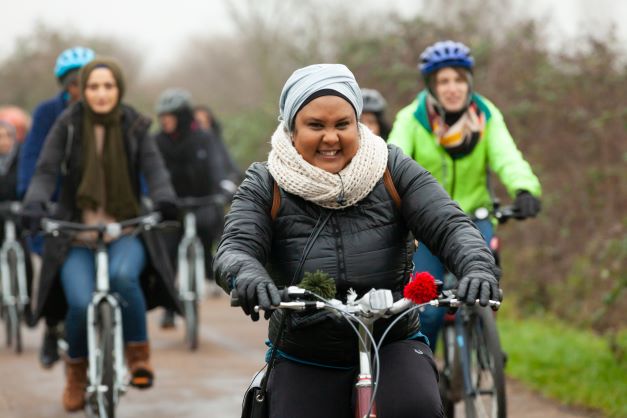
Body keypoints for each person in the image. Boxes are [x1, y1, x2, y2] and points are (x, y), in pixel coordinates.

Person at [213, 63, 501, 418]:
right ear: (291, 129)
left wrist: (476, 266)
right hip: (305, 349)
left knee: (418, 408)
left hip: (391, 339)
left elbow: (450, 225)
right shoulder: (265, 182)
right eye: (315, 125)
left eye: (342, 125)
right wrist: (248, 276)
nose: (331, 138)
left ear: (358, 124)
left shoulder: (392, 167)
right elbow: (236, 246)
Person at [22, 57, 179, 412]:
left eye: (108, 86)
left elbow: (155, 169)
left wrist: (165, 198)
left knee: (125, 277)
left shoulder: (134, 125)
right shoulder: (68, 124)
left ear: (118, 89)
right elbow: (46, 169)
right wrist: (34, 202)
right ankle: (76, 374)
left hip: (125, 229)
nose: (101, 93)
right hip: (76, 233)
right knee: (78, 303)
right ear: (83, 90)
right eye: (94, 86)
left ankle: (138, 356)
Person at [388, 40, 542, 350]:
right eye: (443, 81)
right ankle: (423, 368)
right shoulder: (412, 119)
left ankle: (477, 352)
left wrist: (524, 187)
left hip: (475, 219)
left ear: (469, 82)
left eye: (459, 79)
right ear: (431, 86)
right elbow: (393, 160)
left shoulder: (486, 115)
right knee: (427, 309)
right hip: (426, 225)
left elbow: (506, 155)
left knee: (478, 292)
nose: (452, 88)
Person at [17, 46, 95, 369]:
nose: (79, 88)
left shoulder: (105, 111)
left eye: (84, 80)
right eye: (73, 82)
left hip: (94, 207)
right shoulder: (47, 112)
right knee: (53, 272)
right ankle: (51, 328)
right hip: (55, 205)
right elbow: (33, 157)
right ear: (64, 85)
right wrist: (31, 198)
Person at [153, 89, 230, 327]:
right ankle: (168, 307)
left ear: (182, 116)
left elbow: (217, 166)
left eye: (170, 115)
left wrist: (223, 189)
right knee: (165, 251)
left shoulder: (204, 137)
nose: (164, 120)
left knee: (208, 234)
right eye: (162, 116)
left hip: (202, 202)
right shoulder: (157, 141)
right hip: (171, 206)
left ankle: (208, 274)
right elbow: (152, 174)